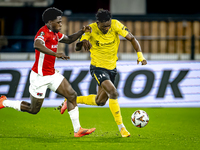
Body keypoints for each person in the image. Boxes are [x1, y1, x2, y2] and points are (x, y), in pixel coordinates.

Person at [0, 7, 95, 137]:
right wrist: (55, 54)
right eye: (58, 22)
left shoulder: (56, 34)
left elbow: (68, 39)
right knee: (34, 109)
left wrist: (81, 32)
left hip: (51, 74)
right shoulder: (43, 33)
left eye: (61, 22)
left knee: (72, 95)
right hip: (39, 77)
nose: (61, 24)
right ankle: (4, 102)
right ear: (50, 22)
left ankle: (77, 130)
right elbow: (37, 45)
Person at [60, 9, 147, 137]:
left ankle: (71, 100)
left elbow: (132, 38)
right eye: (103, 26)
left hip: (112, 68)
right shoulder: (90, 29)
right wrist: (82, 42)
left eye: (108, 25)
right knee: (113, 92)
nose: (107, 28)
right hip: (98, 68)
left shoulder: (116, 25)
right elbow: (76, 48)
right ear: (98, 23)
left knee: (100, 101)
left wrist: (140, 56)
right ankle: (121, 128)